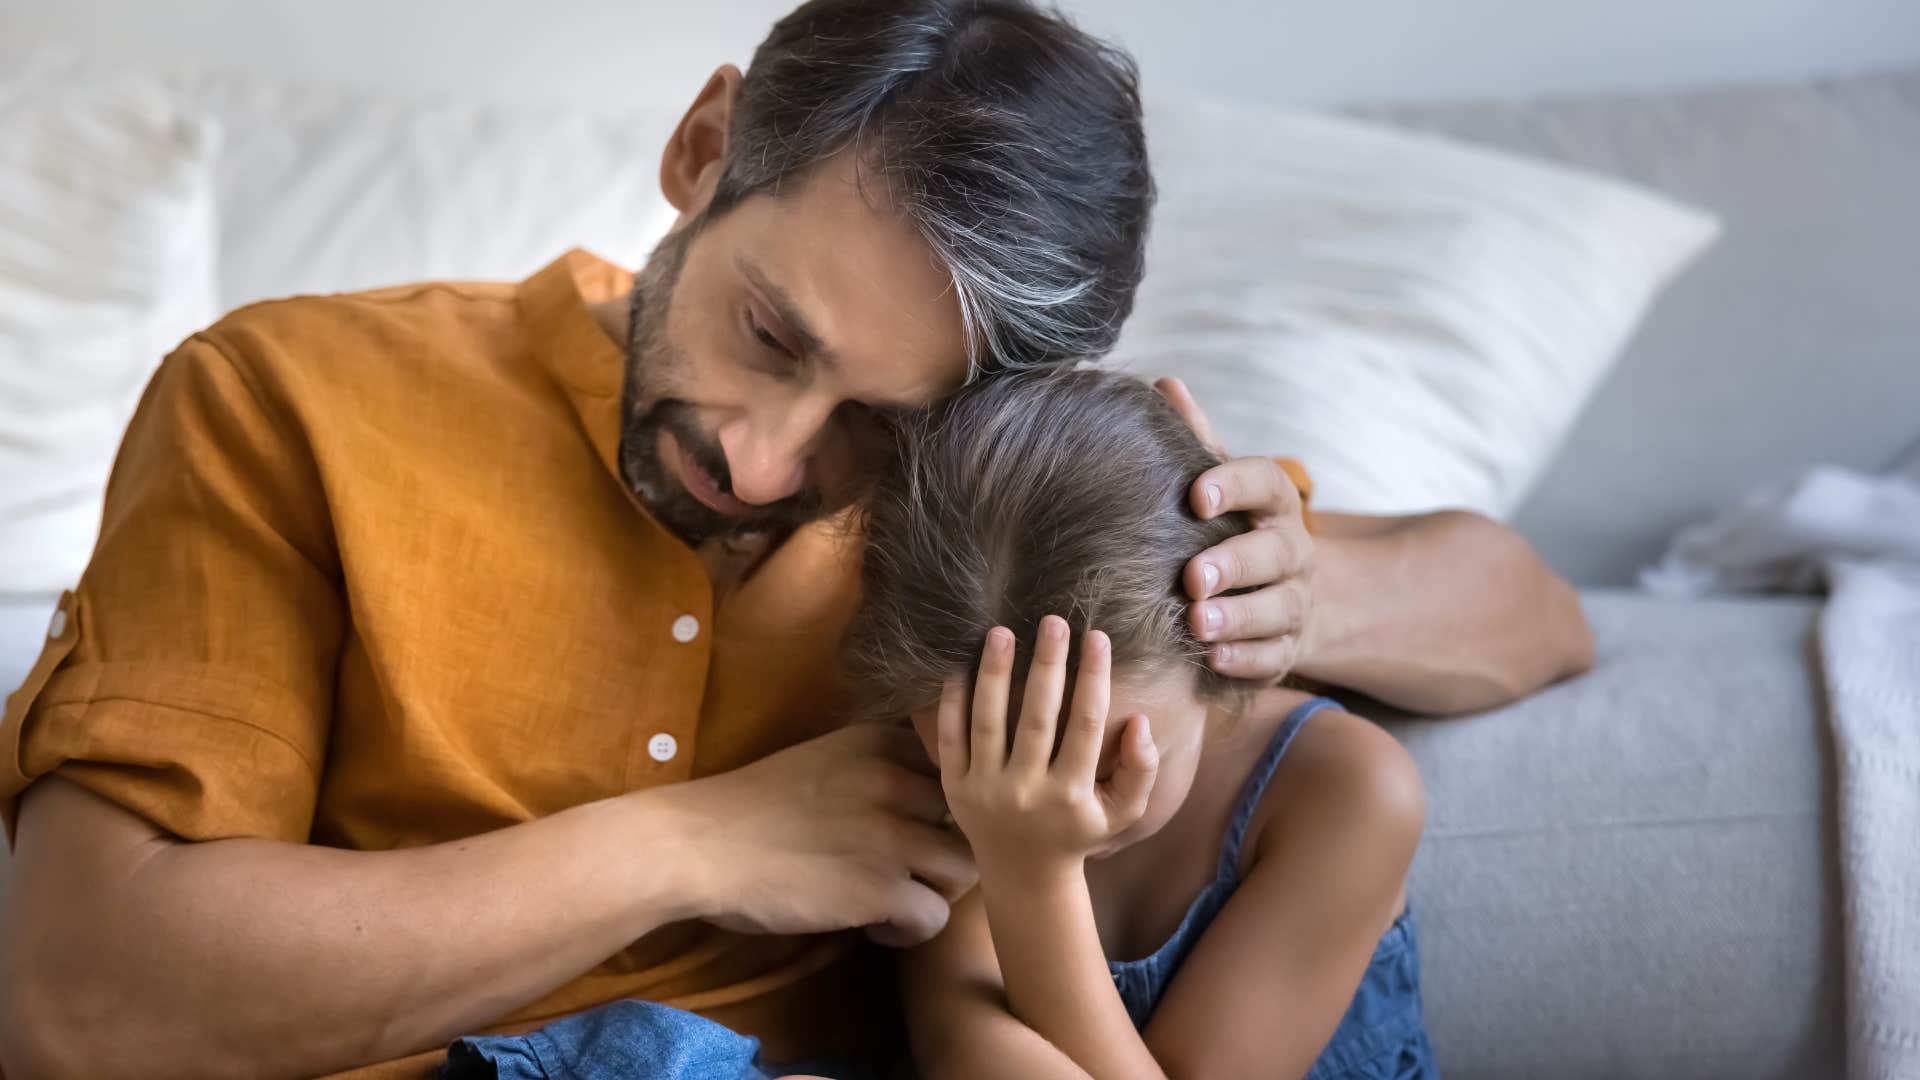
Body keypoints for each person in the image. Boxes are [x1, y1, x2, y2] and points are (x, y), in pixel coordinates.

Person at [0, 1, 1591, 1076]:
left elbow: (1529, 613)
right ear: (706, 150)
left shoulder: (970, 509)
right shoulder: (286, 398)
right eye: (770, 333)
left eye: (878, 426)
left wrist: (1285, 593)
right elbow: (73, 1001)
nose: (768, 466)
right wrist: (699, 843)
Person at [847, 371, 1439, 1078]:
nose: (1048, 796)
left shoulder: (1346, 793)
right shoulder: (947, 805)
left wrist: (1029, 877)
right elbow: (975, 1057)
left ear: (1222, 663)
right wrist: (1009, 853)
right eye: (982, 754)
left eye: (1106, 763)